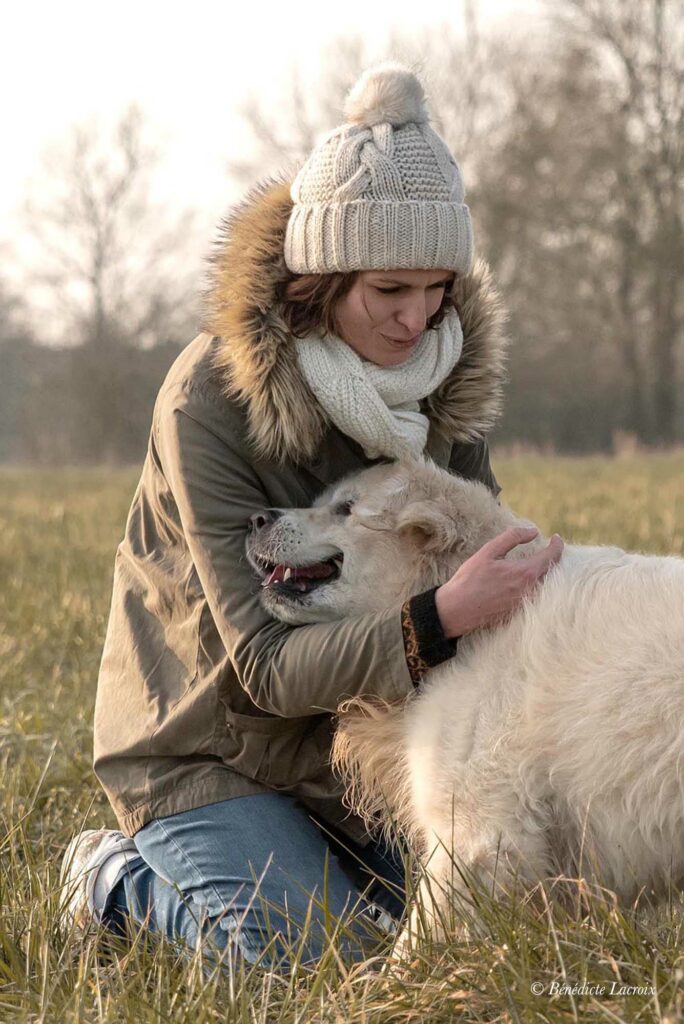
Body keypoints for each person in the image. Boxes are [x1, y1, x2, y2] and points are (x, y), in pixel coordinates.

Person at [59, 61, 563, 972]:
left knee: (488, 930)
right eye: (388, 292)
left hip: (362, 750)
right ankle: (112, 881)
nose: (417, 321)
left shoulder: (443, 382)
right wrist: (440, 620)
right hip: (209, 746)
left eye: (435, 289)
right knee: (317, 959)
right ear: (320, 281)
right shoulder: (206, 401)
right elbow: (260, 668)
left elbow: (476, 563)